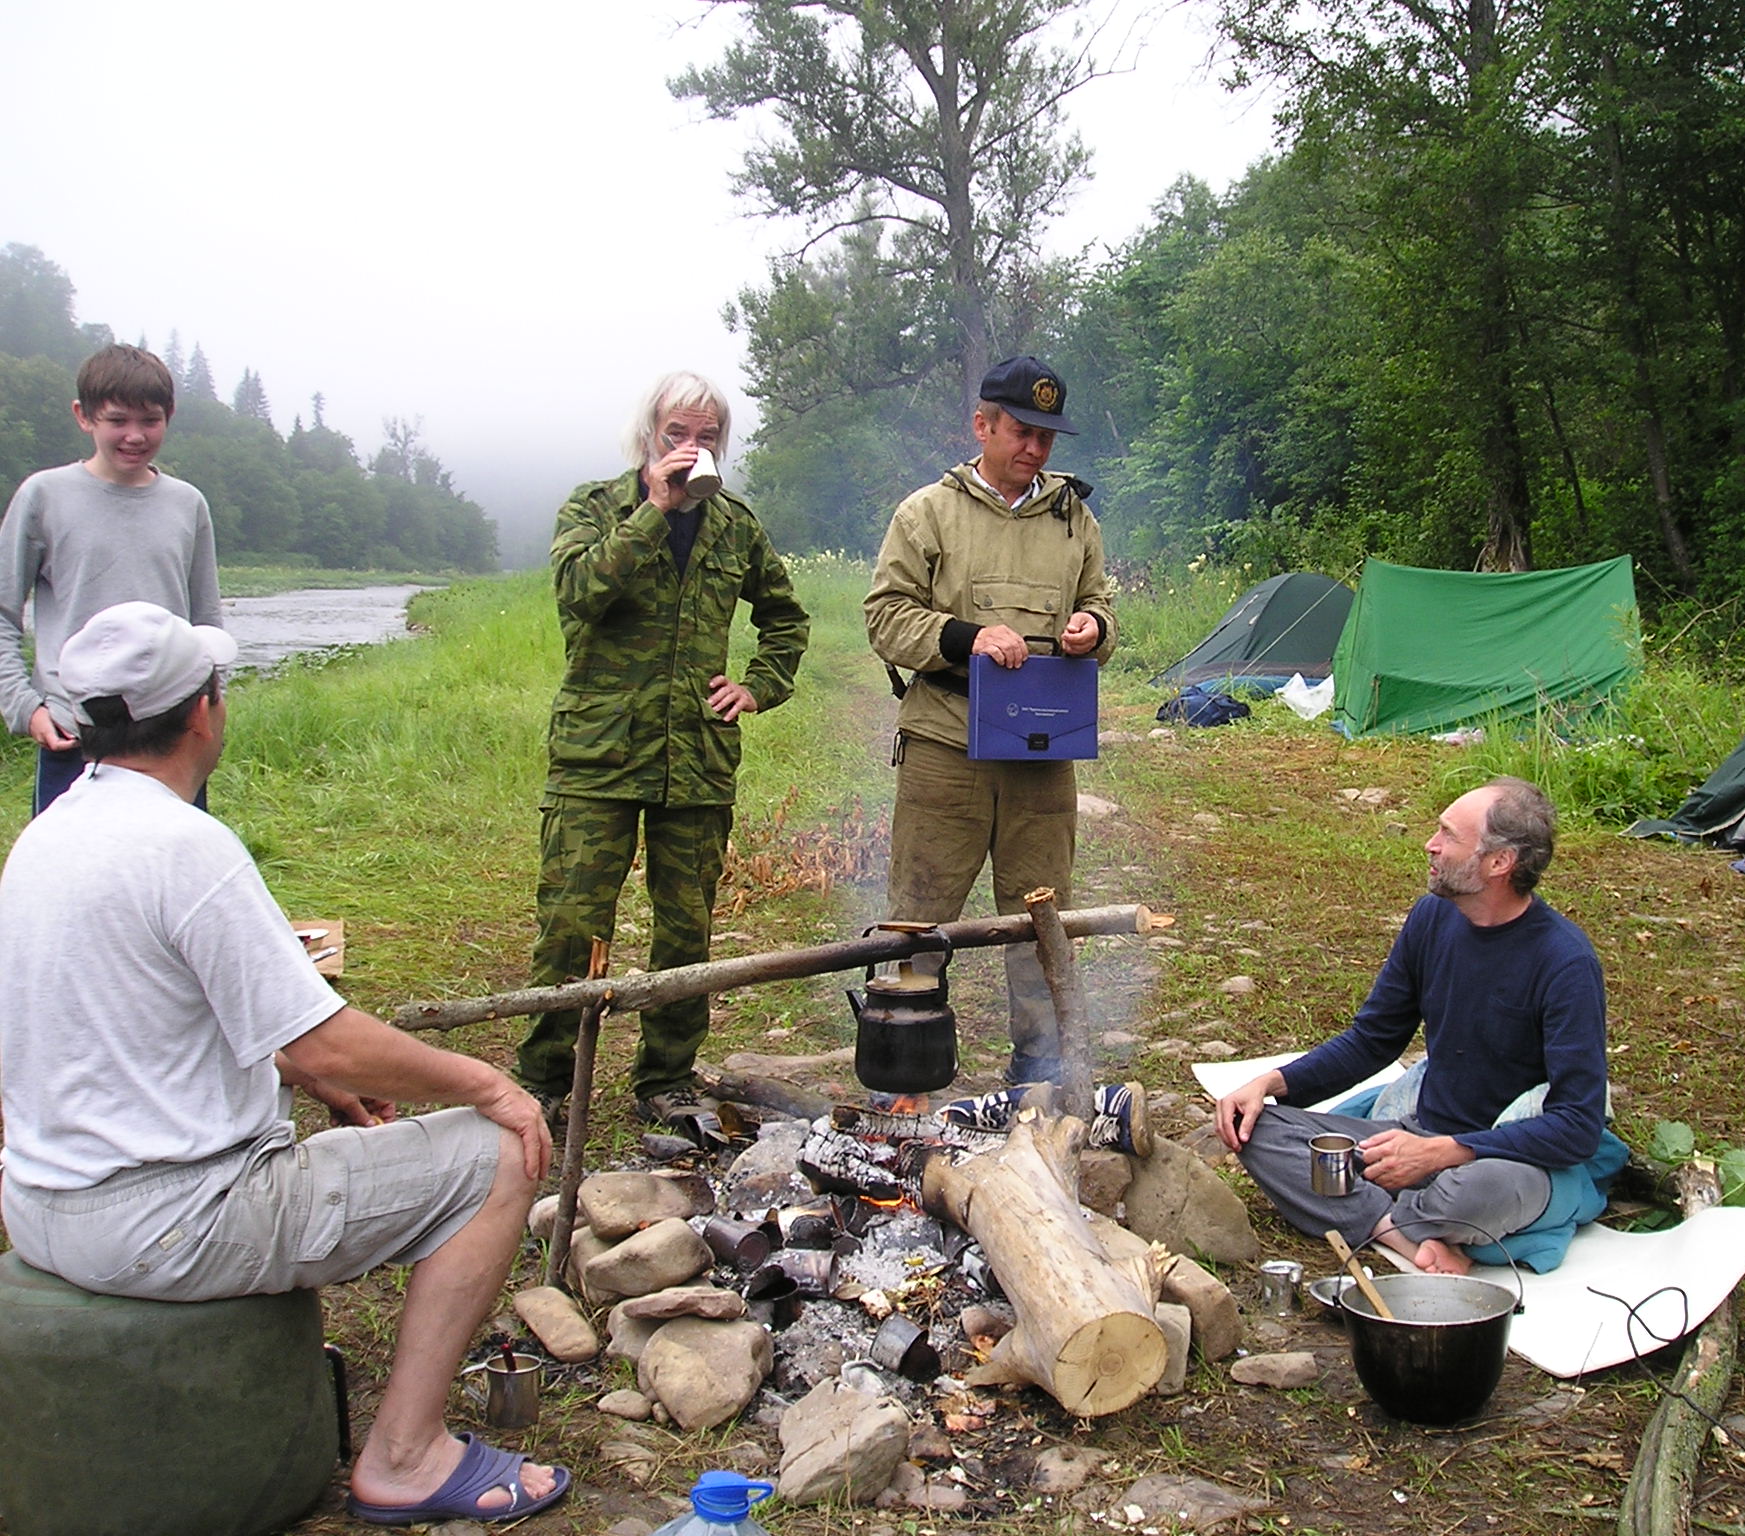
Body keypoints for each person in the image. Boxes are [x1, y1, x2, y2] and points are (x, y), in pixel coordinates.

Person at [0, 602, 567, 1525]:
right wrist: (489, 1083)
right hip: (169, 1221)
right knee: (495, 1152)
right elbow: (324, 1034)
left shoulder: (52, 833)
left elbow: (152, 1016)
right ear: (202, 712)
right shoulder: (185, 846)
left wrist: (302, 1076)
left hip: (41, 1207)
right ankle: (407, 1458)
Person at [520, 372, 809, 1130]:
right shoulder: (597, 507)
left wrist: (755, 687)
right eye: (676, 435)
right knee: (573, 921)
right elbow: (580, 594)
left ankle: (667, 1078)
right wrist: (655, 508)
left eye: (706, 438)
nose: (691, 449)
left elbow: (786, 619)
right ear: (649, 437)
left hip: (697, 758)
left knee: (686, 928)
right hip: (598, 755)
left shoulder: (735, 526)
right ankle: (545, 1083)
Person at [1212, 777, 1607, 1275]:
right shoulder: (1432, 917)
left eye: (1448, 835)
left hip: (1500, 1160)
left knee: (1474, 1194)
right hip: (1413, 1139)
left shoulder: (1564, 962)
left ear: (1498, 862)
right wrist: (1270, 1083)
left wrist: (1443, 1152)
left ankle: (1373, 1212)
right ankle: (1399, 1233)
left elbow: (1577, 1126)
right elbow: (1373, 1040)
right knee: (1259, 1129)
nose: (1431, 845)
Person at [864, 356, 1117, 1085]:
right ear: (983, 426)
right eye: (1022, 432)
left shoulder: (1075, 518)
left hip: (1044, 749)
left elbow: (1103, 604)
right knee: (918, 917)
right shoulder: (928, 513)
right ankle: (902, 1078)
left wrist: (1092, 630)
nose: (1036, 448)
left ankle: (1038, 1081)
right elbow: (885, 617)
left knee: (1043, 923)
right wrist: (967, 637)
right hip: (947, 744)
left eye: (1047, 436)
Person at [0, 343, 221, 815]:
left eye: (150, 420)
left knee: (172, 872)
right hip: (74, 734)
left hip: (171, 736)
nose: (135, 436)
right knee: (72, 878)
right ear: (84, 416)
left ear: (170, 415)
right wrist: (25, 707)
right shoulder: (44, 496)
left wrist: (208, 715)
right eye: (117, 420)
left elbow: (206, 624)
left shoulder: (188, 505)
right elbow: (2, 614)